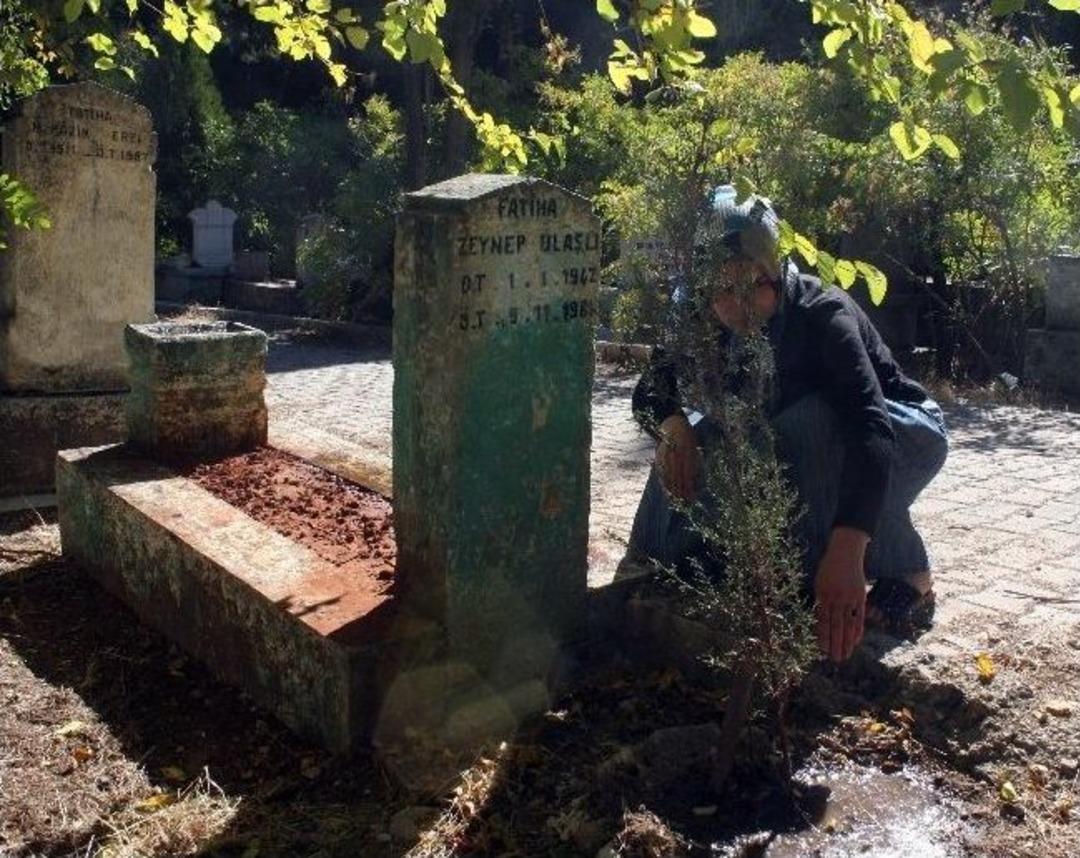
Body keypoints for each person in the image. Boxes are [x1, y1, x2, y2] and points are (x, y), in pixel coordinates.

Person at [628, 186, 948, 663]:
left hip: (900, 432)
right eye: (721, 290)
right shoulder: (695, 310)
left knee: (809, 423)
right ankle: (652, 563)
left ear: (774, 269)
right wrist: (673, 425)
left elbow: (869, 429)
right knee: (703, 431)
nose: (737, 306)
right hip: (801, 438)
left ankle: (908, 574)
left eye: (752, 285)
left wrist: (847, 550)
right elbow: (651, 389)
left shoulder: (822, 314)